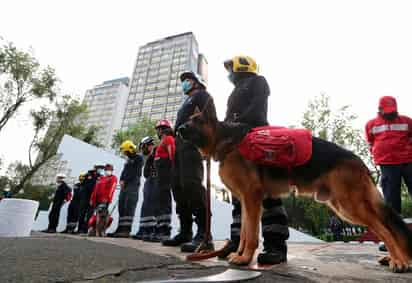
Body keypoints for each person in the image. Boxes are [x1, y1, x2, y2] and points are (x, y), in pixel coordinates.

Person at [219, 56, 289, 264]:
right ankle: (237, 242)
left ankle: (275, 245)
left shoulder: (258, 81)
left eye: (231, 68)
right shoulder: (234, 91)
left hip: (257, 140)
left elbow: (256, 111)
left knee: (267, 194)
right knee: (239, 197)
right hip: (236, 145)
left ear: (242, 65)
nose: (229, 72)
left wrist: (233, 126)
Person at [162, 71, 214, 253]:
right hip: (179, 145)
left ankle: (204, 234)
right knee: (178, 187)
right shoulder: (185, 102)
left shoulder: (202, 96)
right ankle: (185, 231)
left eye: (187, 80)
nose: (184, 83)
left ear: (197, 82)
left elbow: (209, 120)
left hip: (193, 144)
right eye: (182, 81)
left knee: (192, 185)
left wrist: (206, 143)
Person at [365, 96, 412, 251]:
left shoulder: (406, 121)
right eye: (387, 111)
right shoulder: (371, 125)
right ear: (380, 110)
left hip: (408, 162)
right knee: (391, 202)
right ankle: (393, 239)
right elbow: (371, 142)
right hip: (388, 165)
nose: (391, 114)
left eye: (393, 111)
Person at [146, 119, 175, 242]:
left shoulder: (168, 139)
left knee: (164, 203)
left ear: (163, 129)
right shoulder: (161, 143)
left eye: (158, 129)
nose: (157, 132)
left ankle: (165, 231)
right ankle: (158, 229)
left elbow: (172, 156)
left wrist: (174, 173)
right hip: (159, 177)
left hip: (166, 176)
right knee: (159, 203)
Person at [109, 140, 143, 237]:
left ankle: (126, 231)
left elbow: (135, 172)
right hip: (125, 186)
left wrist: (126, 180)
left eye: (125, 151)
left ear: (129, 150)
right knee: (121, 206)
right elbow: (124, 172)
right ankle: (119, 229)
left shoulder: (138, 158)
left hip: (132, 186)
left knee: (129, 207)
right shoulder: (128, 160)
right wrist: (121, 180)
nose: (124, 153)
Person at [133, 136, 158, 240]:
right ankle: (143, 229)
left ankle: (151, 230)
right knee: (146, 206)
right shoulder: (147, 156)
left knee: (153, 206)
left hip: (157, 180)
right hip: (149, 181)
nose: (143, 150)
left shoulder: (157, 152)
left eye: (144, 147)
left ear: (149, 145)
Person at [88, 164, 117, 236]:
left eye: (109, 170)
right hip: (97, 200)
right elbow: (95, 190)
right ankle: (97, 231)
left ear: (112, 170)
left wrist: (108, 199)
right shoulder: (101, 178)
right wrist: (92, 199)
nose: (108, 171)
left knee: (103, 216)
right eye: (107, 170)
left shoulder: (113, 178)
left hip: (105, 200)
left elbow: (111, 189)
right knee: (98, 215)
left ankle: (102, 231)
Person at [78, 165, 104, 234]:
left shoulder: (101, 177)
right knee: (82, 213)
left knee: (90, 215)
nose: (100, 170)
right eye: (99, 168)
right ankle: (79, 229)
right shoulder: (88, 174)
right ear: (95, 168)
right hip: (85, 197)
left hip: (94, 199)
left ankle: (85, 229)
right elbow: (82, 184)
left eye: (101, 168)